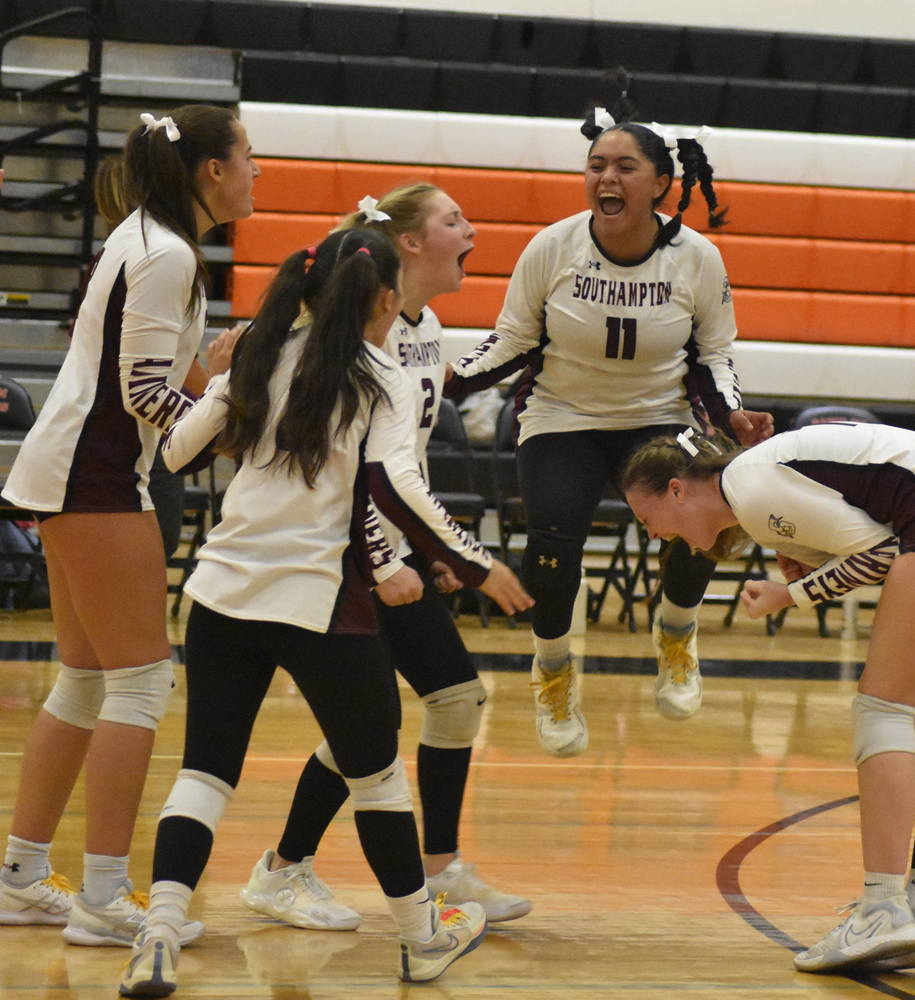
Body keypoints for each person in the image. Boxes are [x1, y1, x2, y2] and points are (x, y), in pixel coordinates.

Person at [118, 228, 533, 996]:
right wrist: (478, 564)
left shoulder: (260, 349)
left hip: (220, 593)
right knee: (377, 775)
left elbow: (174, 454)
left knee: (205, 774)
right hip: (315, 602)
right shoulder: (380, 374)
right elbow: (399, 491)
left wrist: (216, 381)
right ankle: (420, 939)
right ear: (383, 299)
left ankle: (160, 930)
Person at [621, 422, 915, 973]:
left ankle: (883, 909)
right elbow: (870, 528)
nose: (653, 535)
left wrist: (787, 595)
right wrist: (806, 563)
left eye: (646, 519)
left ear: (677, 488)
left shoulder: (749, 486)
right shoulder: (759, 481)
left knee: (884, 708)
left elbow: (882, 552)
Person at [444, 91, 773, 758]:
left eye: (625, 167)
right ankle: (555, 674)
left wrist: (730, 414)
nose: (606, 178)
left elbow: (713, 354)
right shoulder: (552, 247)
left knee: (708, 517)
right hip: (562, 416)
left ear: (659, 183)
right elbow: (510, 342)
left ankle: (676, 635)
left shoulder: (698, 259)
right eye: (597, 165)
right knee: (554, 545)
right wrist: (440, 382)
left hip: (658, 416)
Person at [239, 186, 529, 932]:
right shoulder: (361, 330)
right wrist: (398, 556)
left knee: (451, 701)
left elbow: (403, 459)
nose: (471, 228)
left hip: (389, 547)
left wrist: (426, 547)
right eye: (453, 220)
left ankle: (437, 871)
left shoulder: (427, 325)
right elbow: (355, 467)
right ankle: (285, 869)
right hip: (339, 554)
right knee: (369, 723)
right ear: (407, 242)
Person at [0, 106, 258, 946]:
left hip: (77, 468)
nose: (257, 171)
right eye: (247, 157)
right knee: (142, 682)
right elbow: (146, 394)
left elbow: (152, 369)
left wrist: (212, 367)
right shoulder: (168, 253)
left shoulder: (150, 238)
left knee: (84, 679)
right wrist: (223, 410)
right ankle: (105, 895)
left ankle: (22, 873)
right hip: (97, 475)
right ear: (212, 172)